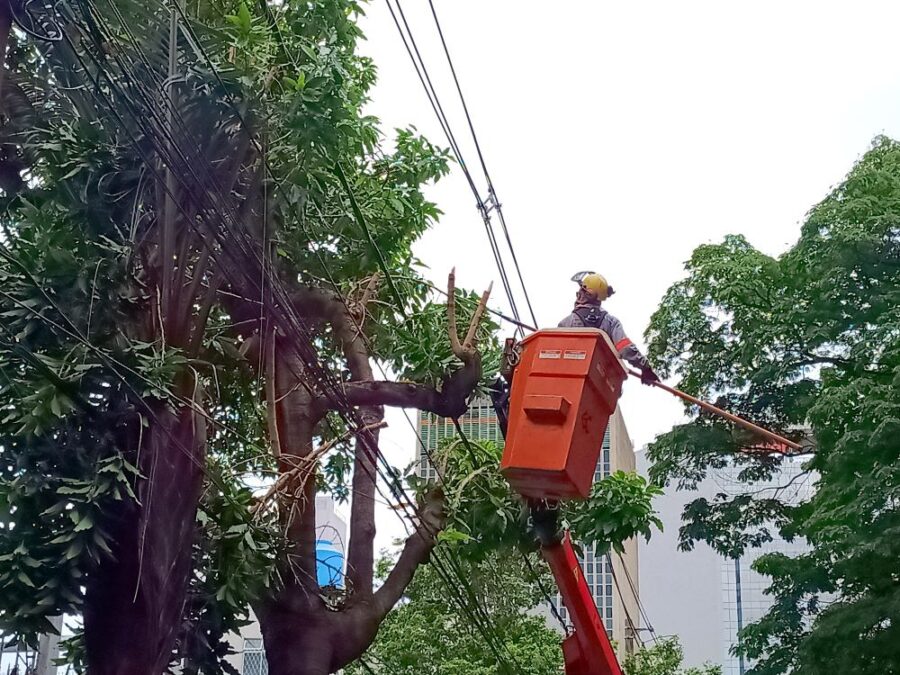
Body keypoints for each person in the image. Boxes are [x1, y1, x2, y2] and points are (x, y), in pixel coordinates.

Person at [559, 271, 659, 384]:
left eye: (580, 292)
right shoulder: (611, 322)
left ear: (585, 294)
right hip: (600, 383)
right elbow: (625, 349)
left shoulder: (566, 323)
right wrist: (645, 368)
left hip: (568, 381)